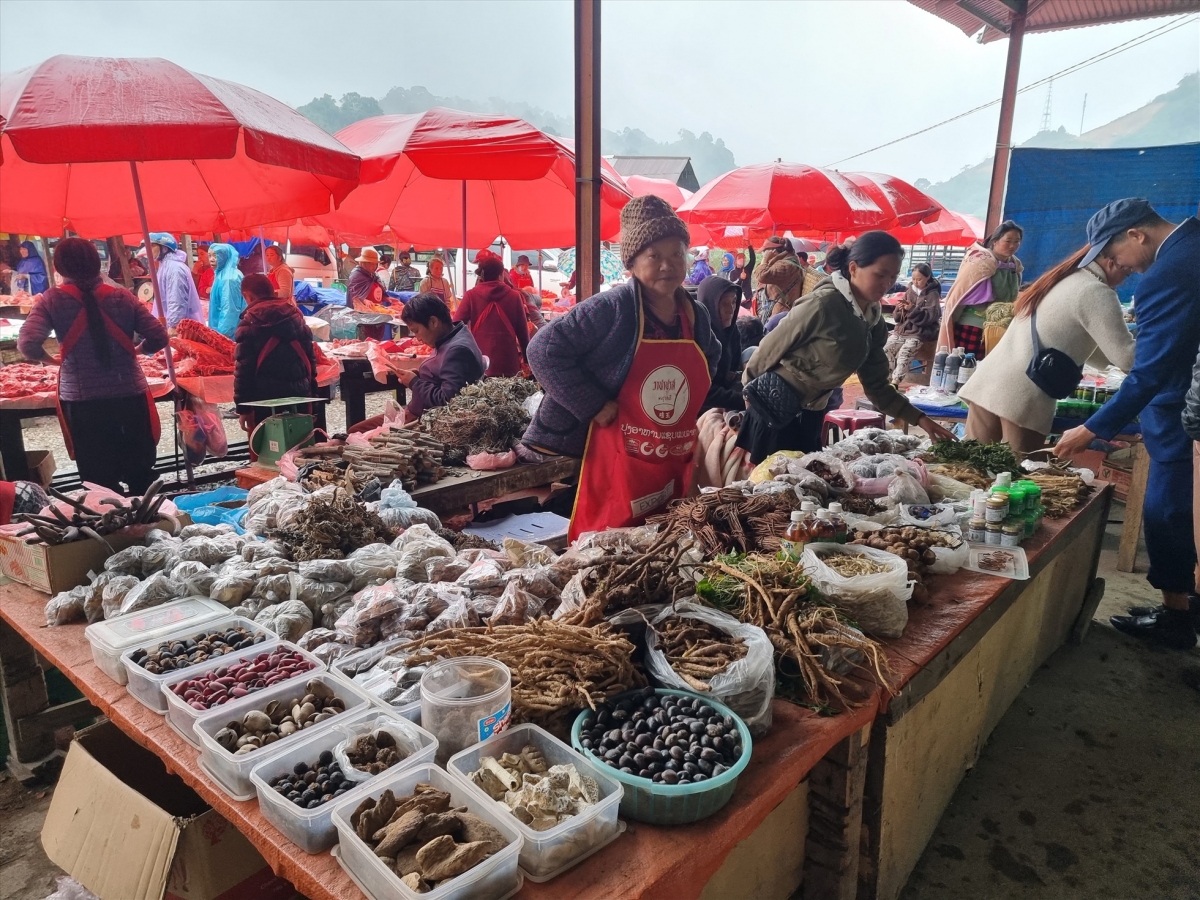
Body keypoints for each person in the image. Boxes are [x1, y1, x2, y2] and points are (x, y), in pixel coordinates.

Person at [517, 195, 721, 540]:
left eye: (676, 254)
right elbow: (543, 349)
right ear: (632, 262)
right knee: (604, 535)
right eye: (654, 256)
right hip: (596, 442)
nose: (667, 265)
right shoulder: (612, 307)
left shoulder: (694, 313)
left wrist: (687, 406)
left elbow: (709, 357)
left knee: (656, 527)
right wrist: (593, 403)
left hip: (660, 442)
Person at [1054, 199, 1200, 650]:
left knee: (1172, 513)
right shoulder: (1190, 249)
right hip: (1177, 412)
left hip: (1181, 418)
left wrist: (1092, 428)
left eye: (1114, 253)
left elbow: (1149, 372)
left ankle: (1179, 623)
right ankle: (1180, 611)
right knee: (1171, 514)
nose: (1117, 265)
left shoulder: (1170, 271)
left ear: (1137, 233)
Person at [737, 233, 957, 464]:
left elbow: (877, 387)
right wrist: (749, 396)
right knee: (769, 488)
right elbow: (767, 351)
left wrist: (920, 419)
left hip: (812, 413)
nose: (887, 284)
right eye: (880, 275)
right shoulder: (823, 304)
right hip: (773, 408)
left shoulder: (873, 321)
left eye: (892, 277)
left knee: (806, 485)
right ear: (853, 268)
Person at [18, 238, 168, 493]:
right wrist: (137, 351)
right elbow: (158, 336)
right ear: (96, 263)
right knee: (141, 471)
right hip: (129, 395)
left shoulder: (51, 300)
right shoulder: (123, 298)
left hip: (83, 402)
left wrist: (52, 361)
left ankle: (113, 529)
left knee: (98, 481)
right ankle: (152, 525)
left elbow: (28, 344)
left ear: (59, 266)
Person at [960, 246, 1134, 452]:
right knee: (1017, 477)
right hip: (1021, 396)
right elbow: (1127, 358)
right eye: (1127, 270)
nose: (1127, 277)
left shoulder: (1062, 278)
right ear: (1111, 262)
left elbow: (1093, 352)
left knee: (973, 471)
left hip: (988, 383)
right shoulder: (1095, 291)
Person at [233, 274, 317, 434]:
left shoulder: (249, 323)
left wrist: (243, 409)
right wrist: (313, 399)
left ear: (247, 296)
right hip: (299, 397)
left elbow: (244, 371)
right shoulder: (297, 317)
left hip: (264, 403)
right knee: (301, 449)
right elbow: (310, 361)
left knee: (267, 451)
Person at [938, 220, 1023, 357]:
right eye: (1008, 241)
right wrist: (950, 324)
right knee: (966, 369)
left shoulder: (1015, 265)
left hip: (1000, 326)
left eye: (1017, 241)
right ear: (995, 241)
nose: (1013, 245)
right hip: (973, 325)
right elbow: (960, 295)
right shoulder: (981, 262)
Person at [396, 293, 485, 418]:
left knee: (358, 431)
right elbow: (443, 376)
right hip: (419, 412)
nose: (418, 338)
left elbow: (448, 400)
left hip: (424, 420)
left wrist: (414, 382)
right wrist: (420, 376)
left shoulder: (457, 350)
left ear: (433, 322)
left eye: (416, 331)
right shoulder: (451, 335)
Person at [453, 257, 530, 377]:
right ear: (501, 274)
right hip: (508, 361)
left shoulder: (471, 296)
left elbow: (455, 326)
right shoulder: (514, 296)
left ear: (481, 275)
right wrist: (527, 359)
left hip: (479, 360)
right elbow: (523, 332)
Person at [883, 264, 942, 384]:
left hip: (920, 332)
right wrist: (900, 309)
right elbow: (897, 318)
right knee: (885, 349)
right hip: (902, 331)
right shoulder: (909, 291)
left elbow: (929, 318)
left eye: (919, 279)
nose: (915, 282)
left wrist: (912, 309)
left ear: (928, 277)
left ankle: (895, 381)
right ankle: (885, 379)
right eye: (913, 279)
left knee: (905, 353)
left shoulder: (932, 294)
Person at [697, 275, 744, 414]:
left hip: (726, 400)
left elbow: (732, 373)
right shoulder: (698, 336)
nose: (731, 309)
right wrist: (744, 400)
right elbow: (702, 391)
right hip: (700, 409)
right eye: (724, 303)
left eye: (734, 302)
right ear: (710, 303)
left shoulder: (732, 331)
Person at [148, 233, 204, 331]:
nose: (149, 249)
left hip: (179, 329)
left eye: (153, 246)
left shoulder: (174, 269)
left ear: (164, 248)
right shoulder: (165, 266)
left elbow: (177, 299)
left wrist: (173, 326)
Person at [754, 236, 806, 324]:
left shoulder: (785, 265)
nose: (763, 254)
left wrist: (765, 259)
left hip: (779, 314)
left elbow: (761, 276)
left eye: (764, 251)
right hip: (776, 311)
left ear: (773, 251)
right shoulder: (782, 261)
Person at [207, 243, 245, 338]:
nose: (211, 259)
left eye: (216, 256)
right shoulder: (222, 274)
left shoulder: (229, 278)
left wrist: (223, 335)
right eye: (210, 255)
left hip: (229, 334)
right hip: (221, 330)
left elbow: (230, 309)